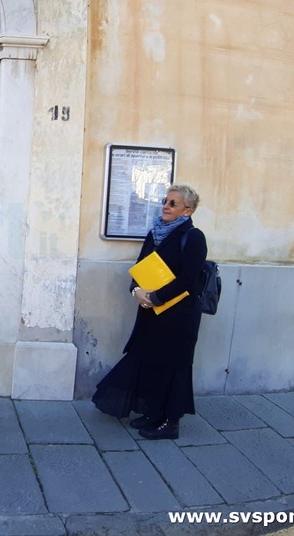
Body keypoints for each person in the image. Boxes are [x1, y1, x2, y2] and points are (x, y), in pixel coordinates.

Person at [92, 184, 207, 440]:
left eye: (173, 203)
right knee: (151, 362)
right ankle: (154, 412)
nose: (165, 206)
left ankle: (170, 423)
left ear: (187, 211)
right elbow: (139, 268)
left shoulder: (194, 237)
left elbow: (187, 280)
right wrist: (136, 291)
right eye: (165, 201)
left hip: (178, 316)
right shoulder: (155, 234)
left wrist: (155, 297)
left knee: (173, 367)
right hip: (151, 314)